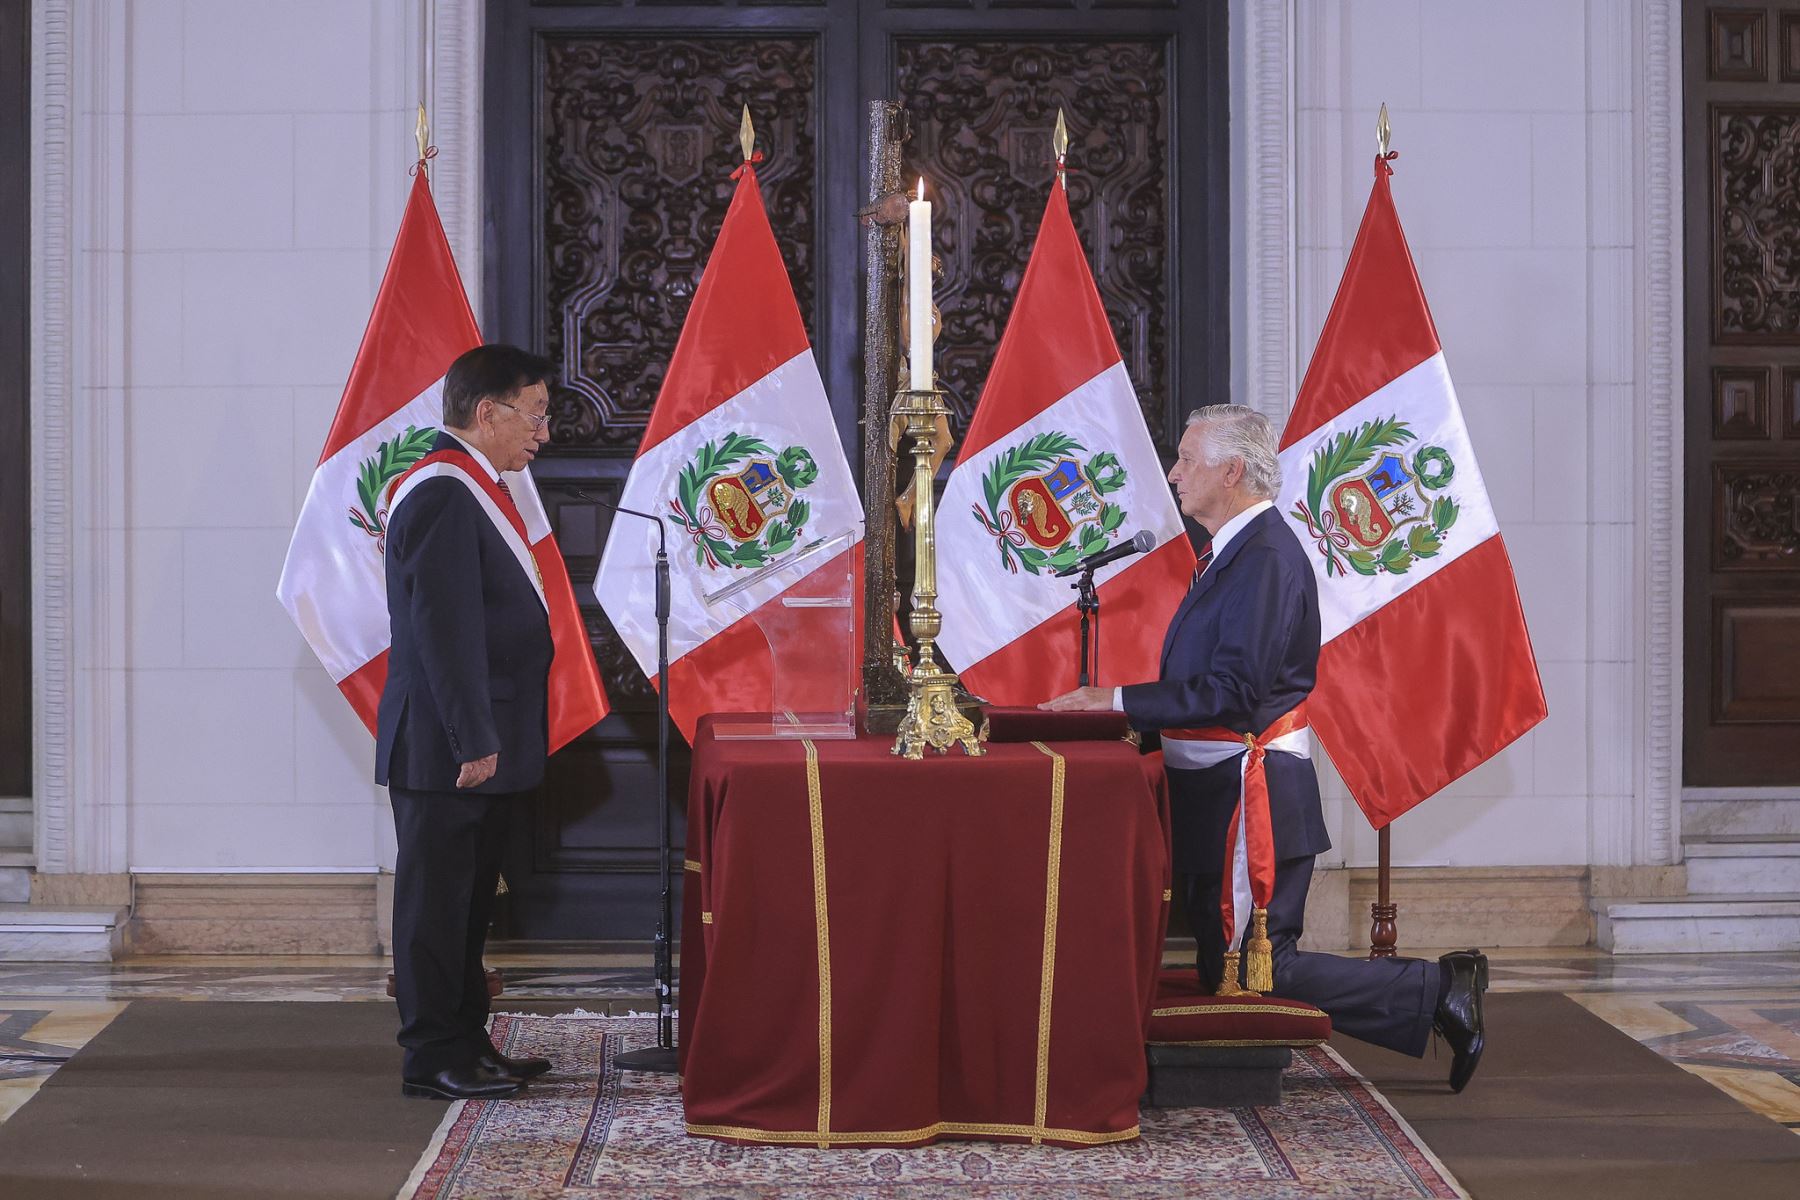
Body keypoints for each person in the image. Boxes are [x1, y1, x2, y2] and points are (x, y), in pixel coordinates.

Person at [1042, 404, 1487, 1092]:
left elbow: (1235, 690)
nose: (1175, 473)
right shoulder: (1236, 553)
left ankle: (1440, 989)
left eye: (1187, 459)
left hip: (1252, 803)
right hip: (1216, 798)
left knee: (1258, 969)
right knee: (1226, 967)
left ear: (1232, 471)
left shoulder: (1267, 559)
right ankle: (1434, 992)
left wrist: (1119, 701)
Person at [376, 344, 557, 1101]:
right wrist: (471, 738)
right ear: (488, 412)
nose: (543, 433)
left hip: (479, 735)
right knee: (436, 905)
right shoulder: (444, 492)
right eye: (534, 415)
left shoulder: (476, 486)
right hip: (448, 742)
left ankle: (466, 1040)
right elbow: (444, 631)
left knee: (472, 903)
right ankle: (430, 1056)